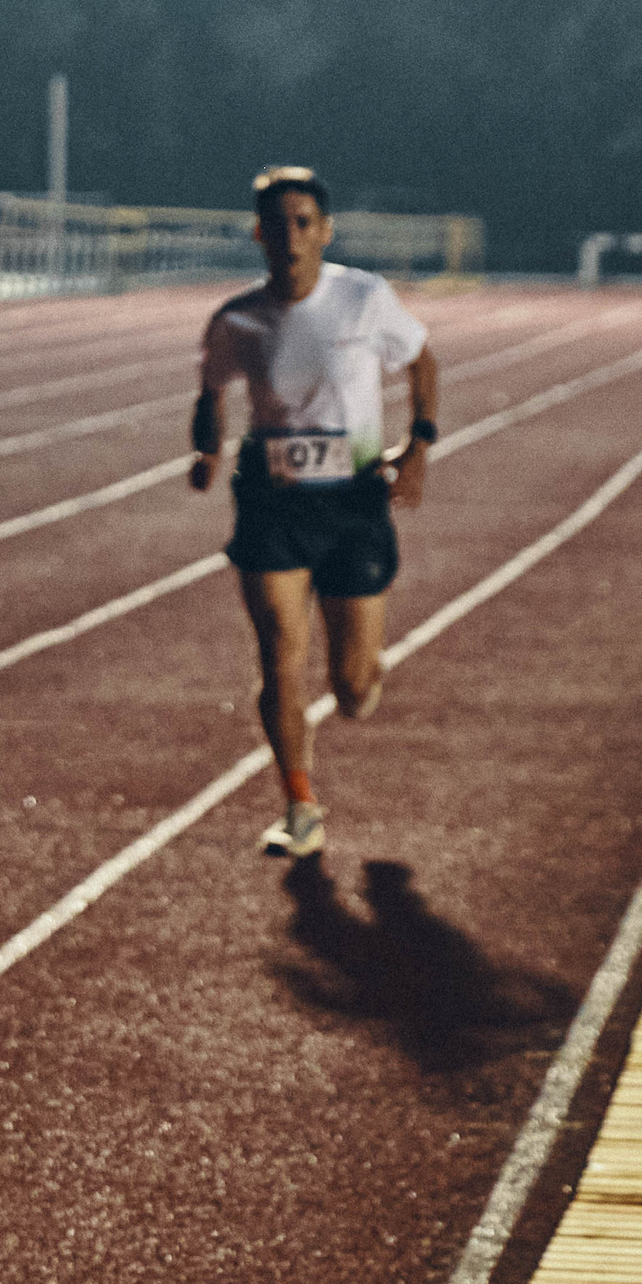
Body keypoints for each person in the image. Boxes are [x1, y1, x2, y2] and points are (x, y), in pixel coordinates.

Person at [189, 166, 438, 859]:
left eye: (305, 223)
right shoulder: (237, 319)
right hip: (272, 506)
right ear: (258, 233)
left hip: (354, 501)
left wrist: (418, 446)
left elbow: (422, 363)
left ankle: (363, 672)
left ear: (325, 230)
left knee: (352, 689)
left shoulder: (363, 298)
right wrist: (206, 451)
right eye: (278, 224)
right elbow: (211, 393)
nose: (291, 237)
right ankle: (300, 804)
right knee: (279, 658)